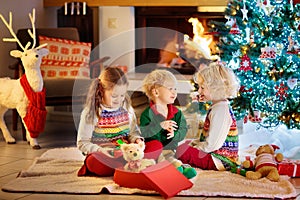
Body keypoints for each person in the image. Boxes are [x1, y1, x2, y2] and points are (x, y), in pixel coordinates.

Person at [77, 66, 162, 177]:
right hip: (106, 154)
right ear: (101, 91)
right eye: (114, 96)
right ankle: (133, 166)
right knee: (93, 162)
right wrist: (101, 150)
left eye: (122, 95)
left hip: (128, 152)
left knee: (157, 145)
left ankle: (130, 164)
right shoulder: (91, 113)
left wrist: (137, 141)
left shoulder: (126, 108)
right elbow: (82, 143)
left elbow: (133, 132)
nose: (119, 99)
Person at [175, 62, 240, 171]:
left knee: (180, 150)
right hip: (216, 156)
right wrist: (194, 144)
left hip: (220, 160)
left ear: (216, 88)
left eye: (202, 88)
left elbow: (213, 144)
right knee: (185, 144)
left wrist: (196, 148)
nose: (199, 91)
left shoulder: (220, 110)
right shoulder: (218, 106)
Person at [140, 69, 196, 179]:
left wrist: (175, 134)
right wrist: (159, 126)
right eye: (170, 89)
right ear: (156, 92)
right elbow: (144, 133)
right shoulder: (147, 114)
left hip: (171, 149)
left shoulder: (177, 113)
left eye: (175, 89)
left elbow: (183, 130)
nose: (174, 92)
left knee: (175, 154)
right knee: (161, 157)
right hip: (154, 151)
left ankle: (179, 167)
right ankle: (174, 168)